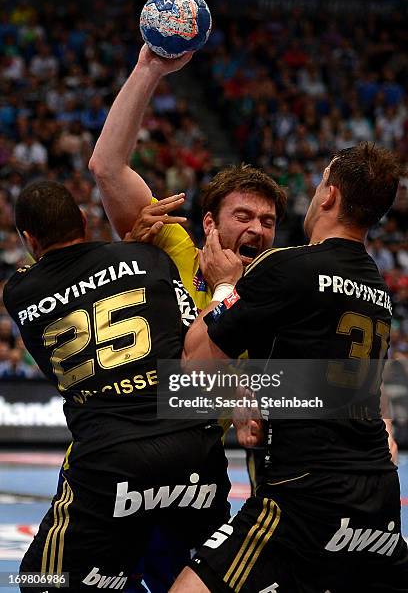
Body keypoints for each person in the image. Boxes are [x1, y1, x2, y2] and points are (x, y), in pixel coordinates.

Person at [170, 143, 408, 592]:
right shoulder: (376, 285)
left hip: (304, 491)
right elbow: (329, 375)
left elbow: (196, 365)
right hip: (377, 489)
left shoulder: (287, 266)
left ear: (330, 195)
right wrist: (250, 391)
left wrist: (223, 286)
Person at [3, 181, 230, 592]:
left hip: (109, 459)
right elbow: (188, 339)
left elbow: (76, 278)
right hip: (195, 451)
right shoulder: (148, 258)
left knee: (39, 579)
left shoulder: (18, 291)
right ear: (85, 221)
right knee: (194, 575)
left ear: (29, 240)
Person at [89, 45, 287, 500]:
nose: (257, 228)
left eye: (268, 221)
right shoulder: (169, 240)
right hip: (121, 454)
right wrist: (148, 70)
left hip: (196, 471)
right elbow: (107, 167)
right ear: (211, 224)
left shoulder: (272, 287)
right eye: (243, 216)